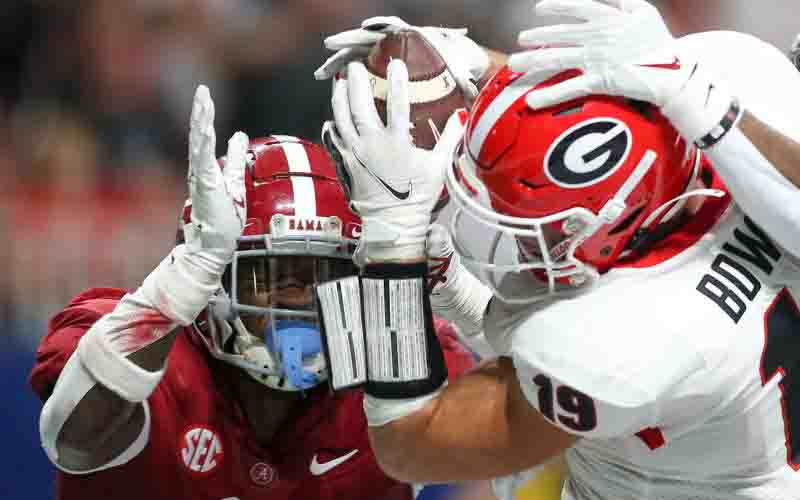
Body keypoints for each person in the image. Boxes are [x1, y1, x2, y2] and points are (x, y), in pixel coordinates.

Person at [316, 0, 800, 499]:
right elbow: (618, 119)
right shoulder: (731, 111)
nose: (515, 240)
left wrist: (390, 240)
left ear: (612, 224)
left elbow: (409, 443)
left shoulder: (632, 350)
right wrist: (474, 66)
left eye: (535, 230)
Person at [30, 85, 474, 500]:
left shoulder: (393, 364)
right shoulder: (133, 340)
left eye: (323, 274)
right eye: (272, 276)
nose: (301, 299)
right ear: (210, 275)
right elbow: (71, 438)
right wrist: (171, 294)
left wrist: (471, 306)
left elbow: (531, 408)